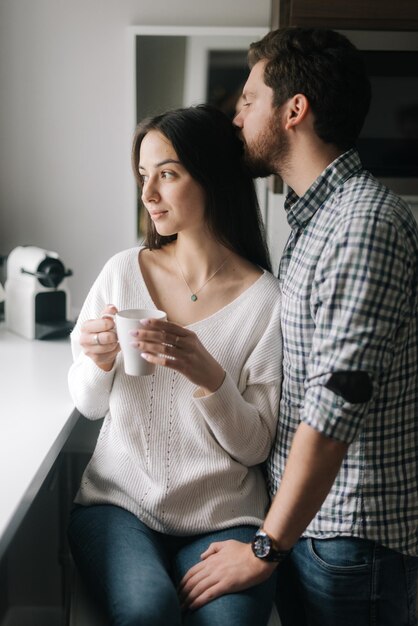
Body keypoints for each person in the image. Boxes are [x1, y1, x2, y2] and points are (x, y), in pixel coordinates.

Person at [179, 27, 418, 626]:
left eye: (248, 100)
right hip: (313, 532)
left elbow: (336, 406)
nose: (236, 118)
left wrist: (265, 548)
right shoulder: (315, 222)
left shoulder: (363, 223)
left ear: (294, 111)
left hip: (350, 539)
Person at [67, 104, 282, 626]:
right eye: (143, 176)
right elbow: (89, 404)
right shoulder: (123, 272)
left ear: (210, 177)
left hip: (222, 516)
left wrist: (209, 375)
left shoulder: (264, 301)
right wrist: (96, 361)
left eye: (167, 174)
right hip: (119, 505)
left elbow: (254, 445)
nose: (148, 195)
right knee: (146, 610)